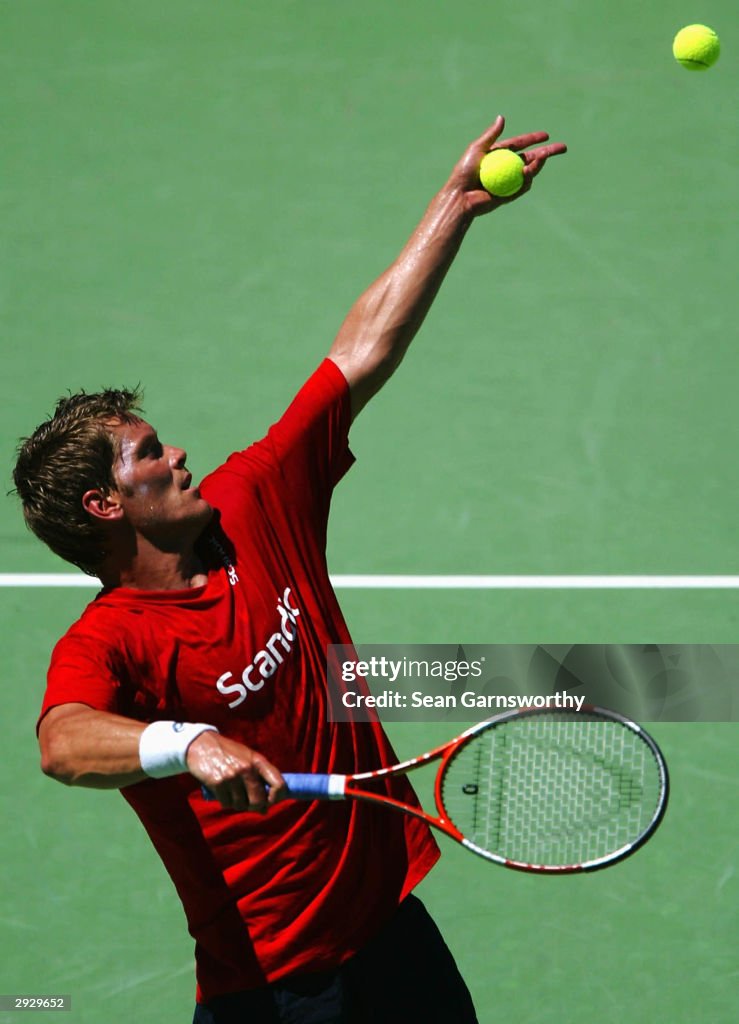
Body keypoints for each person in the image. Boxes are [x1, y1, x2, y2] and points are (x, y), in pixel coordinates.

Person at [14, 116, 566, 1023]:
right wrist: (184, 743)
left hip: (392, 928)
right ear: (105, 506)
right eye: (148, 453)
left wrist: (455, 206)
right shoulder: (110, 640)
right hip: (276, 987)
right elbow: (63, 742)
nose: (178, 453)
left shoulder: (252, 506)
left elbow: (358, 353)